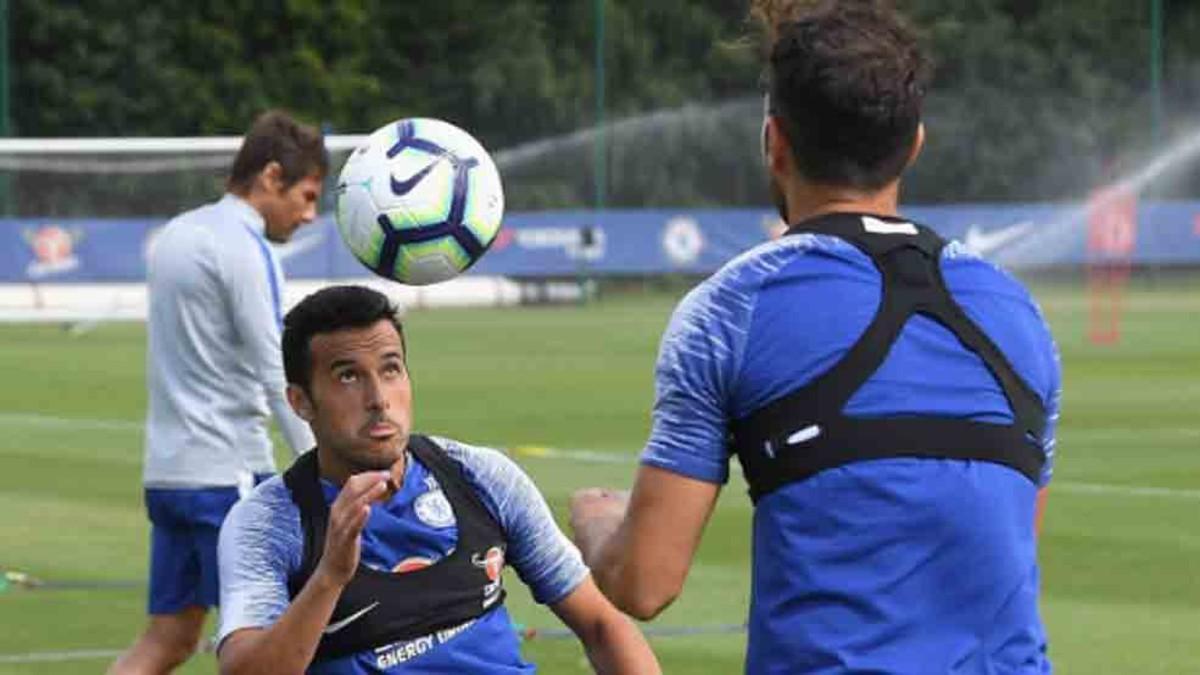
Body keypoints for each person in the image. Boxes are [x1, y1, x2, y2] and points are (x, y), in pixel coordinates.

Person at [569, 2, 1061, 673]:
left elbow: (645, 583)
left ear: (774, 142)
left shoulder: (729, 310)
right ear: (915, 141)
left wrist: (598, 526)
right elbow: (1010, 539)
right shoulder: (1017, 311)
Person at [215, 285, 660, 674]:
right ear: (300, 402)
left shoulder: (479, 477)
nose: (379, 399)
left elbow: (603, 625)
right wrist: (330, 576)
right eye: (348, 376)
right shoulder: (270, 521)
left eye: (390, 369)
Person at [109, 110, 328, 674]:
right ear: (270, 177)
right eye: (306, 196)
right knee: (269, 652)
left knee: (168, 640)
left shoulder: (179, 233)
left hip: (167, 475)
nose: (309, 215)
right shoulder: (244, 249)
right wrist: (323, 470)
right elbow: (277, 369)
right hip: (224, 479)